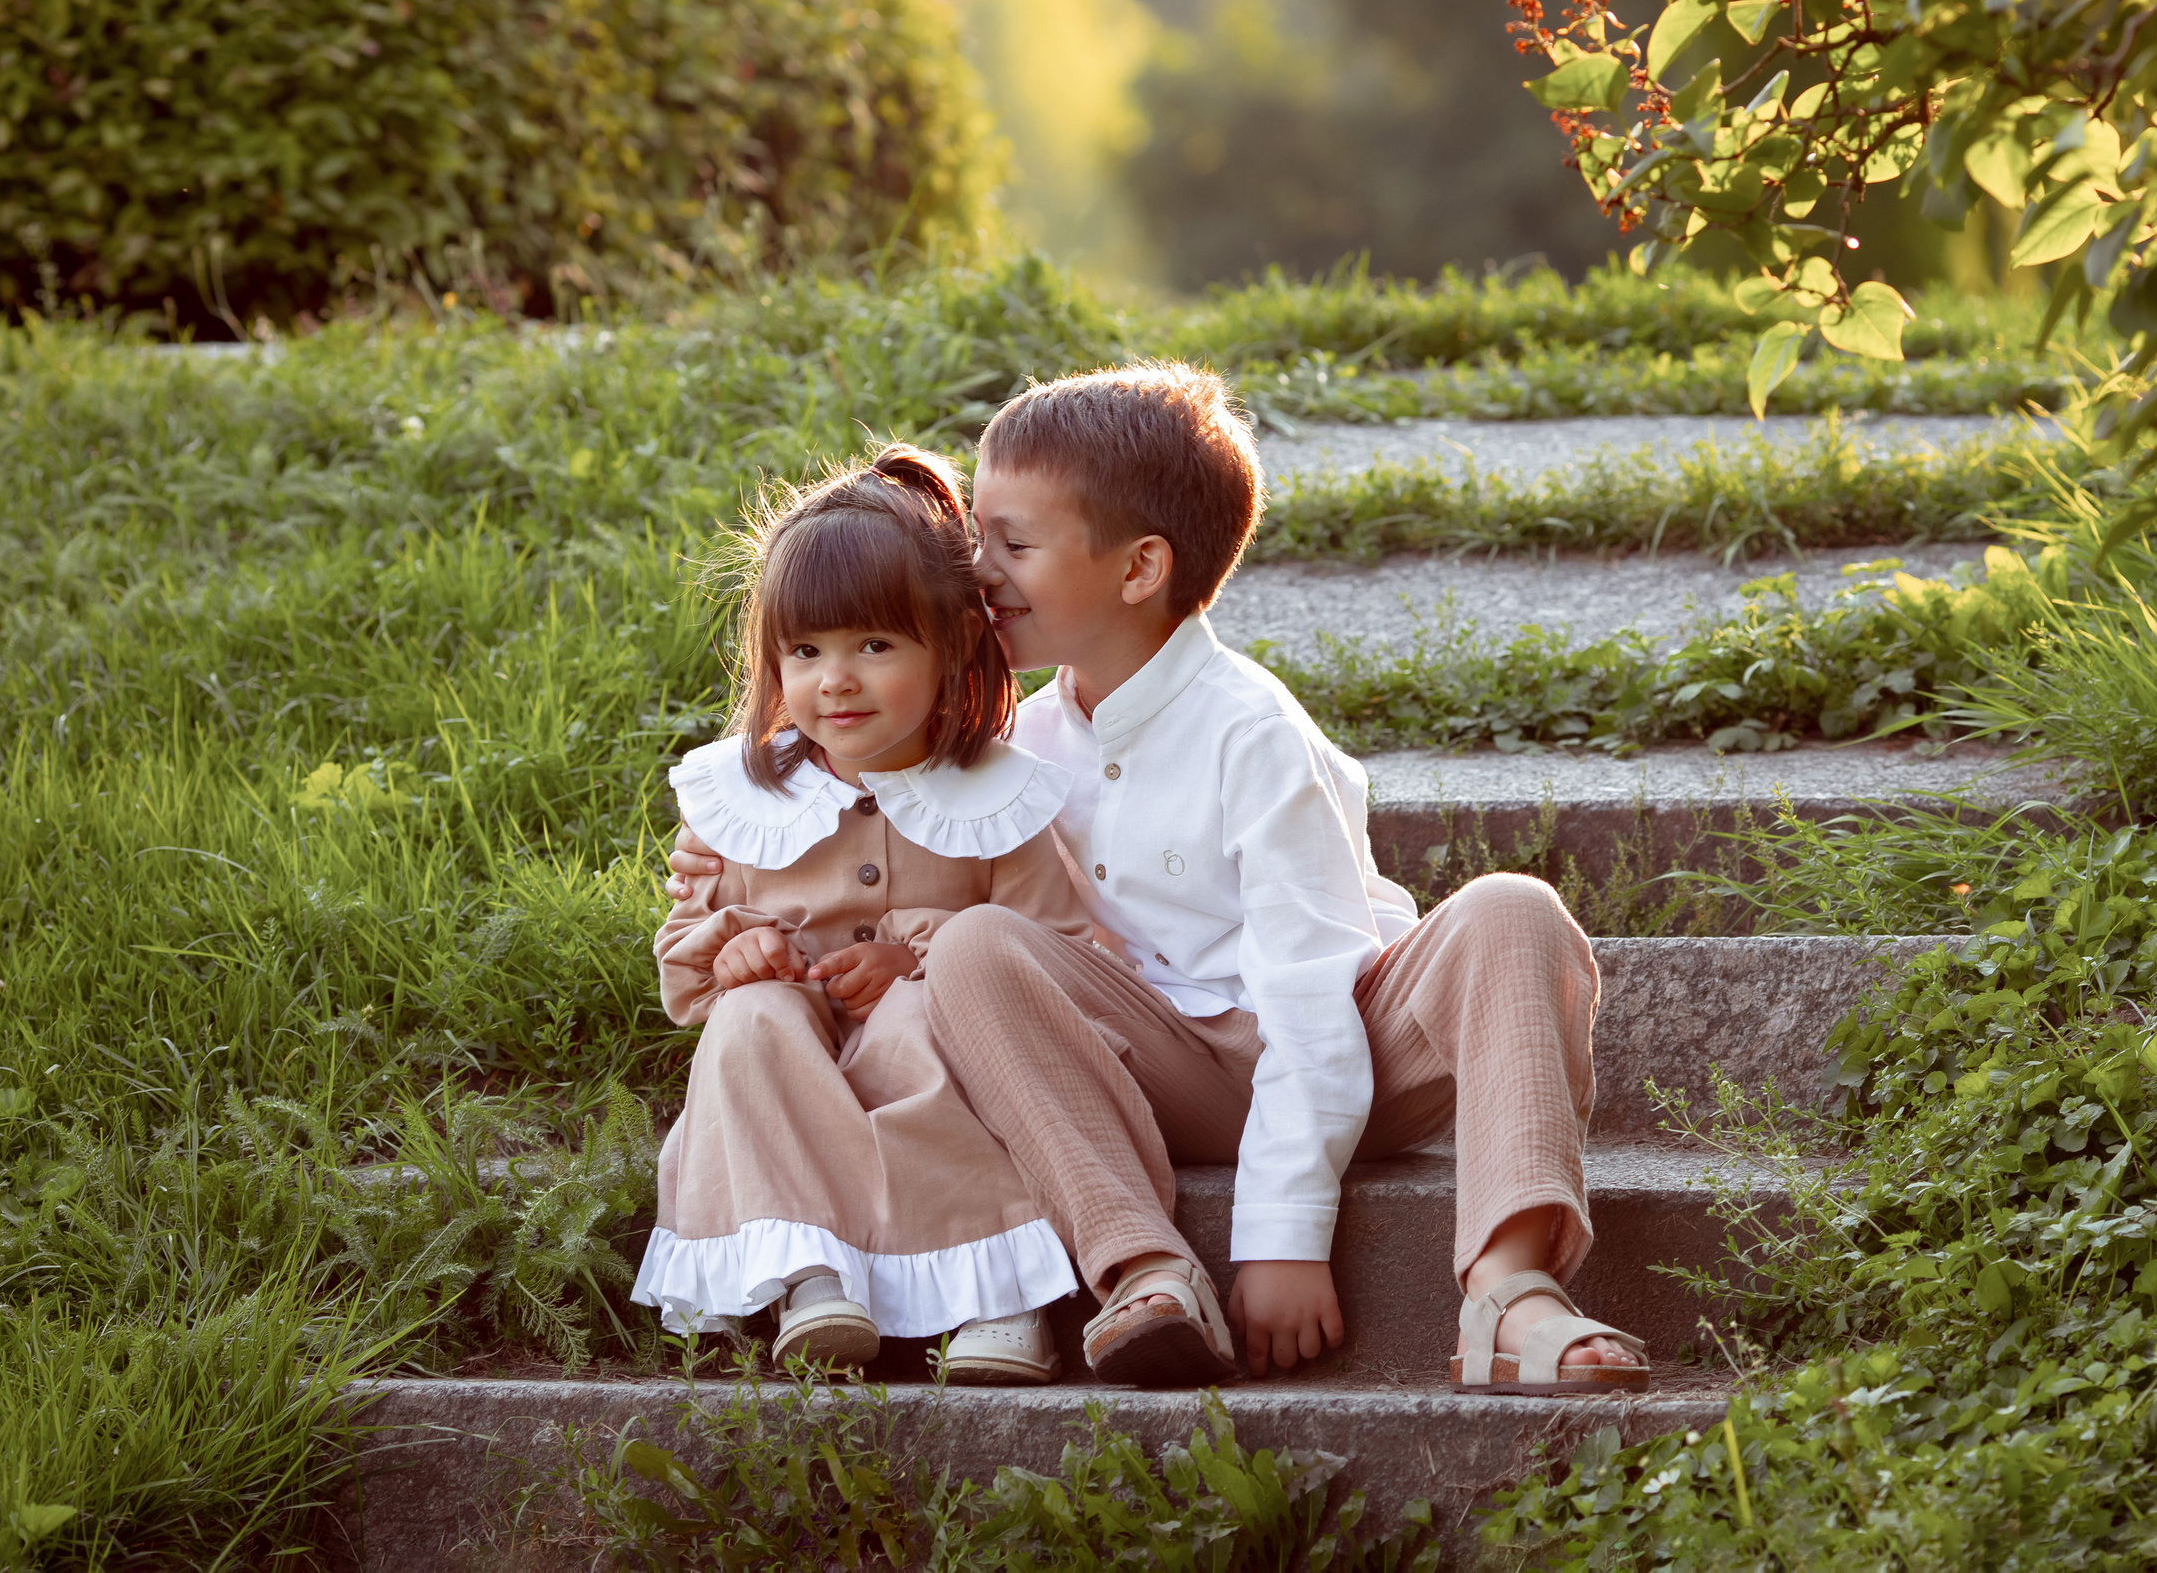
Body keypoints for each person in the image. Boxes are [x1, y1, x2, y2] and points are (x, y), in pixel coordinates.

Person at [668, 365, 1646, 1395]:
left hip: (1347, 1048)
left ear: (1139, 569)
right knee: (975, 943)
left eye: (1012, 545)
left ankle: (1511, 1288)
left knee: (1512, 908)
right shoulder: (1016, 746)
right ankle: (1144, 1267)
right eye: (977, 541)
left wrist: (1283, 1235)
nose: (977, 573)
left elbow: (1312, 995)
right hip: (1142, 1066)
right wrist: (731, 867)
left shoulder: (1251, 732)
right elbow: (890, 821)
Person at [634, 444, 1093, 1386]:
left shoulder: (997, 798)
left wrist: (916, 959)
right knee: (750, 1019)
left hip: (933, 1073)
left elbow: (1054, 959)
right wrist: (735, 950)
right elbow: (684, 966)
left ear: (953, 644)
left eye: (874, 646)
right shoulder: (738, 799)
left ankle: (993, 1288)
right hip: (788, 1082)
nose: (835, 680)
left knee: (925, 1020)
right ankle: (811, 1274)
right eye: (806, 651)